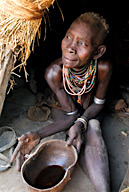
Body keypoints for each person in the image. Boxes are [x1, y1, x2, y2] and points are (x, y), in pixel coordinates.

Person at [11, 12, 112, 192]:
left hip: (89, 108)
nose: (70, 47)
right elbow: (70, 115)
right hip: (66, 107)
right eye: (68, 37)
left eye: (82, 43)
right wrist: (38, 134)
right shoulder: (53, 72)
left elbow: (98, 104)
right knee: (73, 137)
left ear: (98, 51)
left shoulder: (103, 68)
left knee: (94, 128)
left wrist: (82, 122)